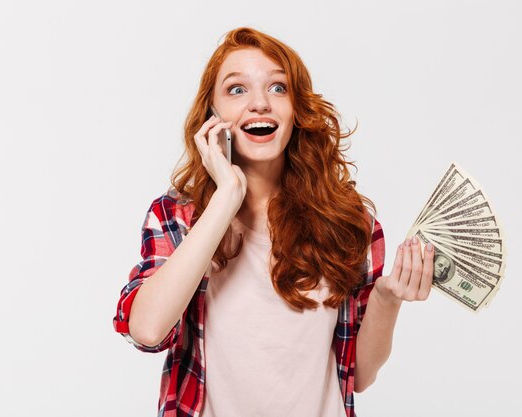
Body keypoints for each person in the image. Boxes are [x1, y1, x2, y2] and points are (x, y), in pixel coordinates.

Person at [113, 27, 435, 417]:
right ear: (212, 117)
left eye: (278, 88)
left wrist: (387, 299)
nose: (260, 103)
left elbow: (359, 375)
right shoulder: (177, 216)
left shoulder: (349, 221)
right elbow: (146, 330)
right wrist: (227, 195)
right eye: (237, 90)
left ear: (297, 110)